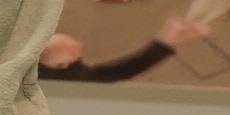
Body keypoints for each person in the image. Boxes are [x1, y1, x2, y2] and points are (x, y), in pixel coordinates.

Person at [41, 17, 210, 85]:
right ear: (61, 65)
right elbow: (123, 70)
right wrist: (166, 41)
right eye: (74, 53)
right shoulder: (79, 82)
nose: (80, 46)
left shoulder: (49, 64)